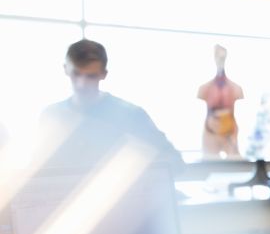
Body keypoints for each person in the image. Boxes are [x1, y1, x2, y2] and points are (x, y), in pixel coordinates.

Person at [40, 39, 183, 174]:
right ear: (65, 69)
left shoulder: (131, 115)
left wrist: (140, 160)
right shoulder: (51, 116)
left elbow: (176, 165)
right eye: (76, 74)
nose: (81, 84)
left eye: (91, 76)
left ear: (104, 74)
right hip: (64, 198)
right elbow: (38, 170)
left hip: (124, 199)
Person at [197, 44, 244, 158]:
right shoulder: (205, 88)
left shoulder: (235, 88)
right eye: (217, 56)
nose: (220, 60)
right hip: (211, 130)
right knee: (210, 161)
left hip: (230, 130)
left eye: (222, 57)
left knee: (234, 162)